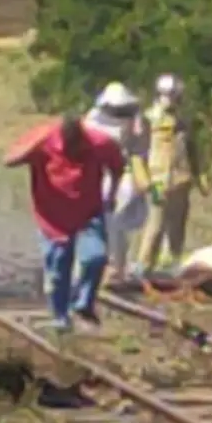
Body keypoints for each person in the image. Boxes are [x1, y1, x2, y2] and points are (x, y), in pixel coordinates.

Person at [4, 114, 124, 332]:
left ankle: (82, 305)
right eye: (69, 149)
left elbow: (117, 165)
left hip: (88, 213)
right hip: (52, 217)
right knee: (58, 269)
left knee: (95, 257)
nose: (74, 153)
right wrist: (30, 151)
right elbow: (9, 160)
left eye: (78, 148)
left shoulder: (99, 142)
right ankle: (61, 317)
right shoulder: (42, 140)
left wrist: (112, 193)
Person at [131, 74, 207, 276]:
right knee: (156, 224)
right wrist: (144, 182)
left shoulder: (183, 121)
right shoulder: (147, 119)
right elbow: (138, 153)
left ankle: (171, 263)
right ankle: (144, 265)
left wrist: (199, 176)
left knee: (177, 225)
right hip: (158, 181)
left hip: (181, 181)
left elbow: (192, 150)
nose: (171, 100)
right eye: (168, 95)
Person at [82, 82, 147, 283]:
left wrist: (150, 184)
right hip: (100, 173)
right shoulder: (92, 120)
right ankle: (105, 263)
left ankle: (118, 265)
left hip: (125, 173)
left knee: (118, 221)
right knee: (101, 221)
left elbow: (141, 151)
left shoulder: (137, 120)